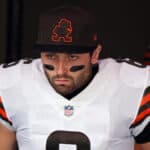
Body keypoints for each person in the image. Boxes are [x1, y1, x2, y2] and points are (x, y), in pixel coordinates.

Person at [0, 5, 149, 150]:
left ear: (95, 54)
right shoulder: (11, 84)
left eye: (72, 57)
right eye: (51, 56)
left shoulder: (133, 85)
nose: (60, 70)